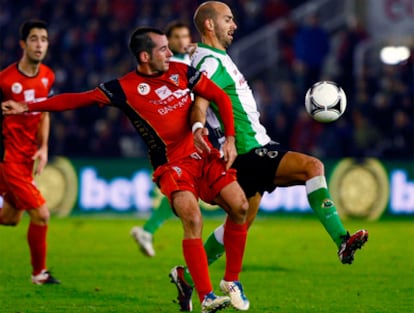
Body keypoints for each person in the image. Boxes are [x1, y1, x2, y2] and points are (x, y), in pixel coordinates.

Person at [2, 26, 250, 313]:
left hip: (203, 155)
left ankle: (226, 280)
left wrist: (230, 138)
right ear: (145, 56)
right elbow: (75, 99)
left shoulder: (181, 73)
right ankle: (207, 297)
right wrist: (27, 106)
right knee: (192, 218)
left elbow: (219, 96)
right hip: (171, 165)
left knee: (240, 206)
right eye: (162, 49)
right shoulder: (124, 88)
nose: (170, 53)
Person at [168, 1, 369, 311]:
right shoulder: (209, 61)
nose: (234, 25)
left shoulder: (212, 56)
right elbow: (200, 99)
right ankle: (342, 241)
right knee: (312, 167)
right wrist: (198, 127)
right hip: (249, 151)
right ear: (210, 25)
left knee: (239, 226)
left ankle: (187, 277)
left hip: (251, 149)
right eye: (227, 19)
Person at [0, 19, 60, 285]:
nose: (39, 44)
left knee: (10, 218)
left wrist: (43, 147)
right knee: (42, 213)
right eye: (34, 39)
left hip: (27, 157)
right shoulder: (4, 80)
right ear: (23, 44)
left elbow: (44, 112)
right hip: (7, 157)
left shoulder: (48, 75)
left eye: (44, 39)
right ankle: (39, 274)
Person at [130, 20, 193, 257]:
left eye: (185, 36)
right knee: (188, 192)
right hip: (177, 140)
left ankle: (148, 229)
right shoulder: (169, 67)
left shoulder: (190, 62)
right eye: (176, 37)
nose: (181, 41)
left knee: (186, 192)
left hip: (193, 134)